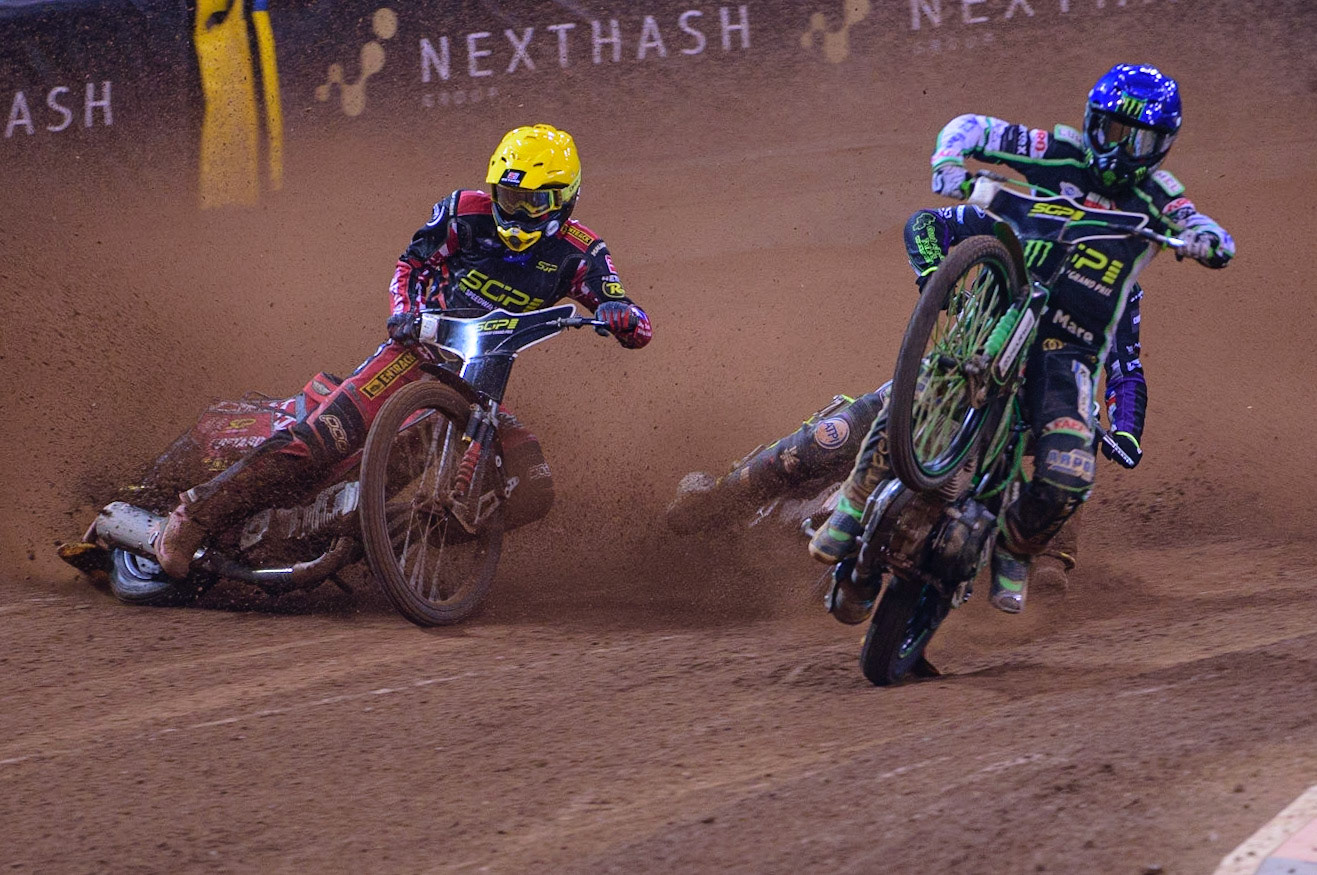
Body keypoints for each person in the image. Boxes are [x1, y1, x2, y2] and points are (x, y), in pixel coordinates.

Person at [808, 63, 1233, 614]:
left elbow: (1129, 363)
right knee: (887, 409)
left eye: (1139, 139)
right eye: (1109, 131)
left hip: (1066, 360)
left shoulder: (1158, 200)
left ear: (1161, 146)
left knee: (1069, 474)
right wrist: (948, 162)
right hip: (988, 328)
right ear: (1091, 121)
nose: (1119, 150)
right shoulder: (1055, 153)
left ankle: (1015, 549)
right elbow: (972, 131)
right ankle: (852, 505)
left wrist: (1126, 431)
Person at [154, 123, 652, 577]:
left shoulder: (582, 252)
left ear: (565, 200)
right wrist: (404, 311)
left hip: (480, 379)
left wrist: (622, 317)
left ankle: (389, 542)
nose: (515, 212)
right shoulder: (463, 211)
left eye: (532, 204)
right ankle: (194, 516)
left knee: (532, 484)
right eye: (508, 196)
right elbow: (411, 264)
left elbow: (631, 316)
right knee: (324, 438)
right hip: (416, 350)